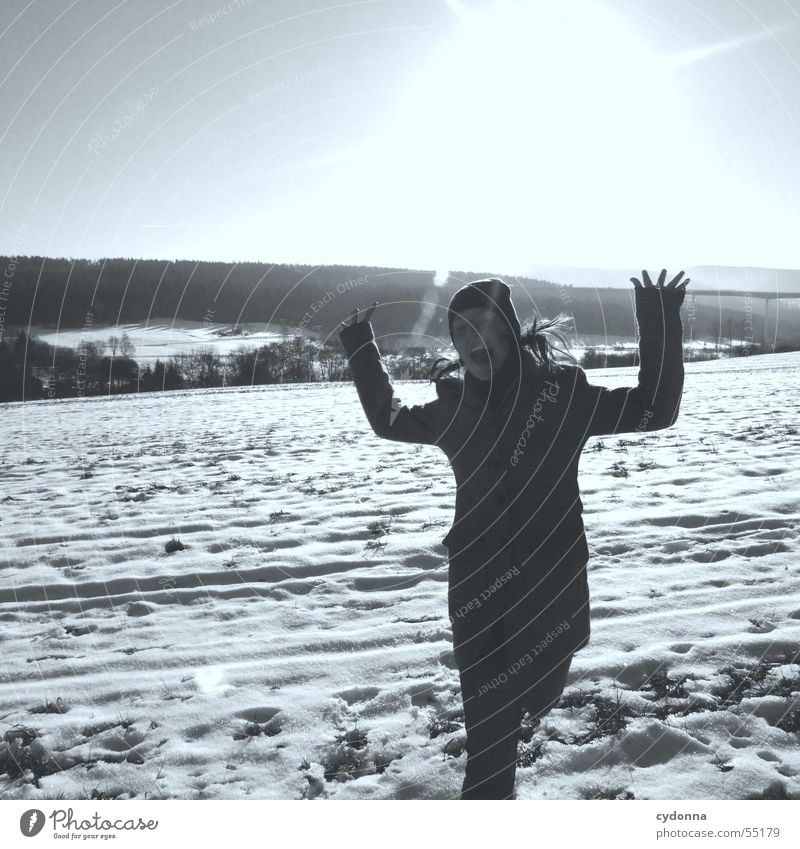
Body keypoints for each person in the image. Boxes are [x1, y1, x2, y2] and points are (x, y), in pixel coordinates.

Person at [338, 270, 689, 799]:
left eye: (484, 328)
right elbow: (389, 421)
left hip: (549, 585)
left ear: (508, 332)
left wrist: (659, 319)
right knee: (489, 728)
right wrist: (361, 348)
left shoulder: (561, 398)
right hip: (477, 586)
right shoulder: (453, 409)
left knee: (540, 692)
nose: (474, 342)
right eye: (461, 333)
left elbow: (653, 410)